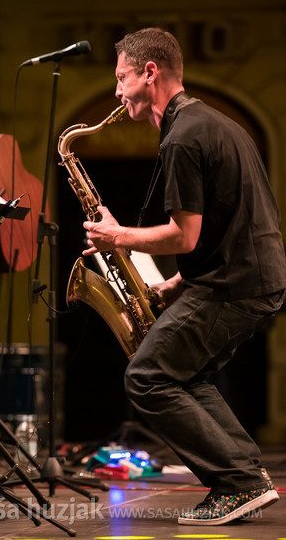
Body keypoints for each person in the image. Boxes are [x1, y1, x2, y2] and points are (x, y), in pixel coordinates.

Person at [82, 27, 286, 526]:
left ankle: (235, 483)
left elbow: (184, 237)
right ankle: (247, 477)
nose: (116, 92)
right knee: (184, 372)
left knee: (148, 377)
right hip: (250, 278)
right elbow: (227, 222)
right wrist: (176, 284)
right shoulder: (219, 124)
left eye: (121, 78)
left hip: (235, 285)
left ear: (149, 74)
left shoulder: (182, 136)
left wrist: (118, 238)